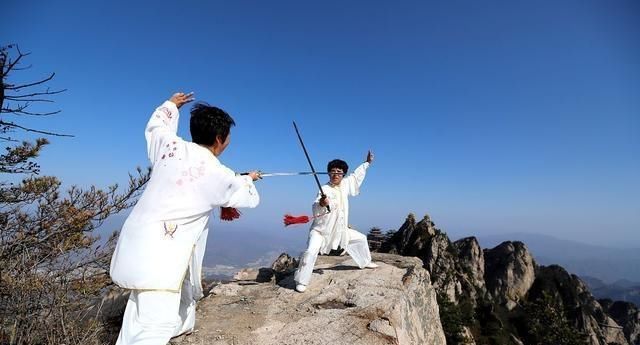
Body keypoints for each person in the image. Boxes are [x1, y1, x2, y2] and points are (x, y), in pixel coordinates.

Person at [110, 92, 261, 344]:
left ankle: (182, 325)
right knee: (153, 325)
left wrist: (171, 105)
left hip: (137, 239)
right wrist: (249, 178)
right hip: (163, 255)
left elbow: (156, 126)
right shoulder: (219, 173)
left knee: (139, 313)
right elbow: (247, 197)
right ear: (219, 138)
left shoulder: (170, 147)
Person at [294, 151, 378, 293]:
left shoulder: (345, 184)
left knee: (360, 238)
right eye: (332, 171)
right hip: (321, 230)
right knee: (310, 251)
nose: (335, 174)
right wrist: (322, 202)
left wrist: (367, 163)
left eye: (339, 172)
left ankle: (365, 261)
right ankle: (301, 281)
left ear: (343, 174)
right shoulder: (324, 189)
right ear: (328, 173)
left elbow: (356, 176)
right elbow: (316, 206)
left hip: (340, 229)